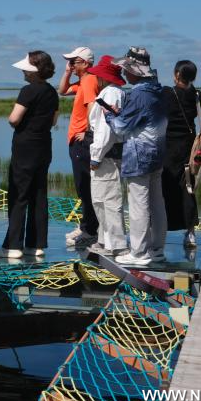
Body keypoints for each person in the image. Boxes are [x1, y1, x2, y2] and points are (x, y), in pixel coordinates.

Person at [105, 47, 168, 268]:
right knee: (157, 203)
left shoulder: (138, 94)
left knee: (138, 204)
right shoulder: (159, 90)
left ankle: (139, 252)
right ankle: (157, 250)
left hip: (140, 155)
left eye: (126, 69)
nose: (124, 73)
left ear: (135, 71)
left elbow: (121, 127)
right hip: (158, 153)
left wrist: (109, 115)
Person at [0, 51, 58, 259]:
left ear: (34, 71)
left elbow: (14, 119)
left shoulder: (28, 91)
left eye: (26, 69)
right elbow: (54, 121)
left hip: (25, 147)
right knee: (39, 194)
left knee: (19, 194)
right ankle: (36, 244)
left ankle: (13, 246)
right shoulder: (51, 92)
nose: (23, 71)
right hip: (44, 145)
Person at [85, 55, 128, 256]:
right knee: (102, 199)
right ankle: (105, 240)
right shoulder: (115, 92)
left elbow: (105, 130)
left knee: (108, 200)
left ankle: (115, 244)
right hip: (110, 153)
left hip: (106, 155)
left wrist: (96, 156)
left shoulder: (110, 93)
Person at [58, 46, 100, 249]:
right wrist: (67, 72)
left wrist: (88, 134)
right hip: (76, 141)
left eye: (73, 62)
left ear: (85, 63)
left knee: (85, 187)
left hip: (81, 142)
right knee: (82, 186)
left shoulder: (90, 80)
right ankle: (87, 226)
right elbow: (62, 91)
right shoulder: (83, 80)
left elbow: (92, 105)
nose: (71, 65)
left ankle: (89, 231)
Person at [161, 60, 201, 249]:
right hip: (189, 147)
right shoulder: (197, 95)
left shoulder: (167, 93)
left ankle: (161, 231)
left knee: (165, 189)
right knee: (188, 188)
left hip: (169, 147)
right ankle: (191, 233)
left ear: (177, 74)